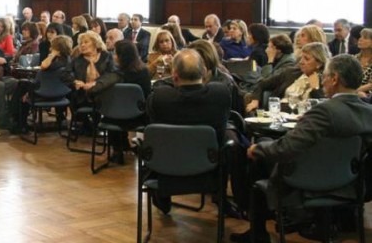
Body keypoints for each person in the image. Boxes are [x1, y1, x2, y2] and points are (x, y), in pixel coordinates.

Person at [230, 54, 372, 243]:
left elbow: (287, 148)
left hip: (308, 180)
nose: (322, 81)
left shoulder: (324, 111)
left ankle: (257, 232)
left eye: (325, 76)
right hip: (350, 181)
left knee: (256, 158)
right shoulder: (368, 112)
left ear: (335, 78)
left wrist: (258, 149)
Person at [145, 49, 232, 214]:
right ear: (205, 72)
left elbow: (151, 126)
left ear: (175, 76)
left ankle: (162, 199)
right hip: (208, 171)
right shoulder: (220, 95)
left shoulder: (159, 99)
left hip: (165, 171)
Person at [89, 40, 151, 163]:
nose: (113, 56)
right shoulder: (144, 72)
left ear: (121, 56)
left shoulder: (114, 74)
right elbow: (147, 95)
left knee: (111, 108)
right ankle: (132, 146)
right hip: (138, 117)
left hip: (114, 117)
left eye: (115, 53)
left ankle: (117, 149)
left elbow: (96, 92)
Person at [245, 42, 329, 113]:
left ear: (319, 63)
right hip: (278, 114)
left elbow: (323, 108)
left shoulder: (326, 81)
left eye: (306, 59)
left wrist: (315, 89)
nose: (301, 62)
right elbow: (262, 83)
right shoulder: (291, 72)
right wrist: (255, 100)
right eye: (301, 58)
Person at [354, 28, 372, 98]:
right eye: (360, 37)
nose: (360, 39)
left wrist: (356, 91)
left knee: (361, 95)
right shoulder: (353, 59)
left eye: (365, 38)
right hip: (352, 91)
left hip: (368, 93)